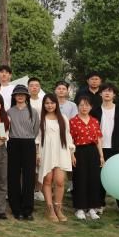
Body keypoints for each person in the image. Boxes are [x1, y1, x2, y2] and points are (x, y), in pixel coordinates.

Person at [36, 93, 74, 222]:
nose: (49, 105)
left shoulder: (63, 118)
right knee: (47, 180)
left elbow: (68, 137)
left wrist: (72, 153)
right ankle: (50, 208)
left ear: (56, 104)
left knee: (60, 181)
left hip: (61, 152)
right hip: (46, 152)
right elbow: (38, 138)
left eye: (52, 103)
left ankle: (58, 208)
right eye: (47, 103)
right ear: (44, 105)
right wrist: (37, 154)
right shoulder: (41, 119)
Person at [69, 95, 105, 220]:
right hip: (79, 151)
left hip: (93, 151)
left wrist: (101, 155)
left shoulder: (95, 121)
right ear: (77, 106)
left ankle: (92, 208)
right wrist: (72, 155)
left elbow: (98, 139)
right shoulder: (72, 121)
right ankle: (79, 208)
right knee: (80, 179)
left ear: (91, 107)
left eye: (87, 105)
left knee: (93, 179)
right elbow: (70, 140)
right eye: (81, 105)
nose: (84, 107)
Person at [7, 84, 40, 220]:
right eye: (17, 94)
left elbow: (36, 129)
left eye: (23, 94)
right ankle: (16, 209)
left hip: (28, 144)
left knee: (29, 177)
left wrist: (29, 139)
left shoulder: (33, 111)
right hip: (13, 143)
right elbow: (6, 129)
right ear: (14, 96)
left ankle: (28, 209)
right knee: (13, 176)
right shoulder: (9, 112)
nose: (20, 96)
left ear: (27, 96)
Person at [98, 83, 119, 215]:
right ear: (100, 94)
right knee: (100, 177)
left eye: (110, 91)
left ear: (114, 95)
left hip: (117, 149)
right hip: (100, 149)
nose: (107, 93)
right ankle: (100, 204)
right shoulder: (95, 110)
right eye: (105, 91)